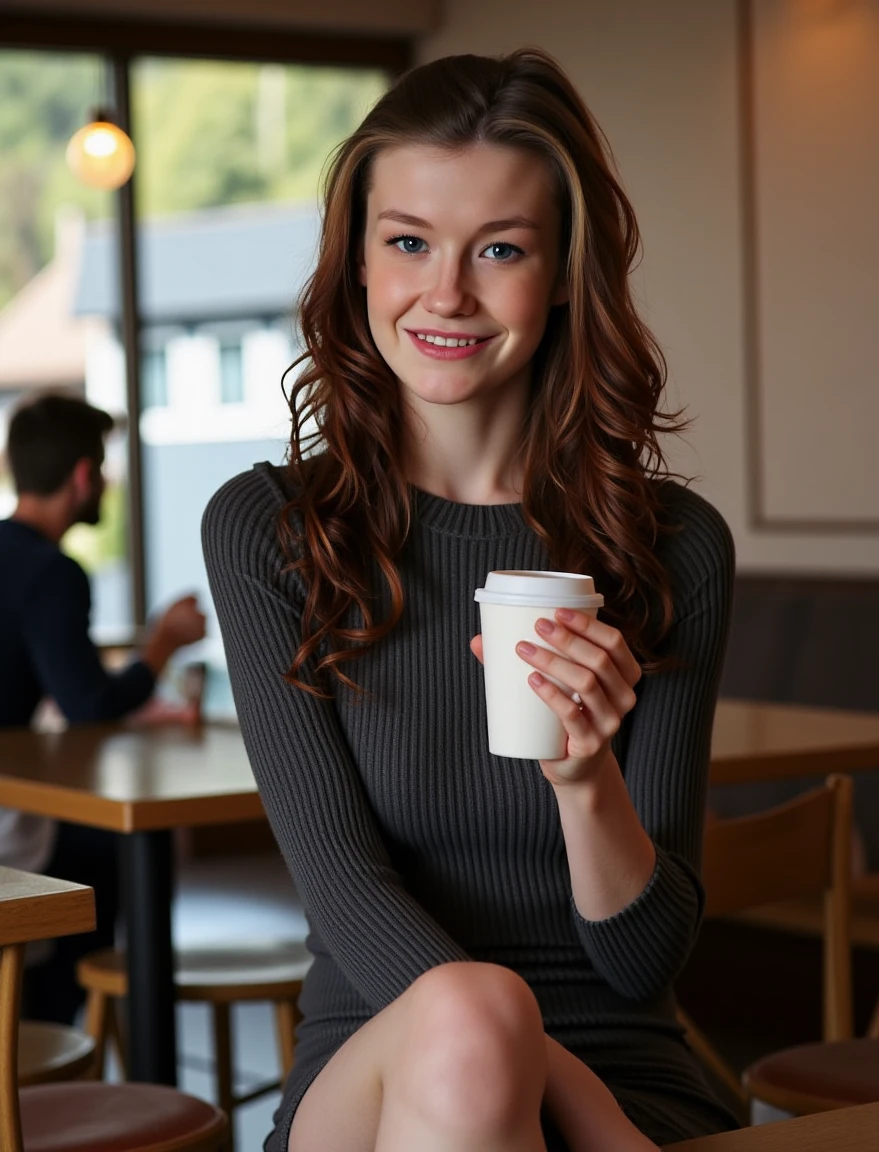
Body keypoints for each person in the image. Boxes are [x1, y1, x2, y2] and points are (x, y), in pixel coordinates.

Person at [203, 48, 738, 1152]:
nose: (444, 292)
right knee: (463, 1017)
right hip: (380, 1074)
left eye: (498, 249)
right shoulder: (273, 534)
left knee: (482, 1024)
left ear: (559, 276)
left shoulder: (673, 548)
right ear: (356, 262)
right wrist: (568, 1107)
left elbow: (642, 965)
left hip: (629, 1070)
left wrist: (585, 779)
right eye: (407, 242)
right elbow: (348, 900)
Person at [0, 391, 206, 1023]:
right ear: (84, 476)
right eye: (104, 471)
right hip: (6, 826)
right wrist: (161, 646)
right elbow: (87, 703)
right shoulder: (51, 572)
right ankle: (71, 1025)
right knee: (108, 853)